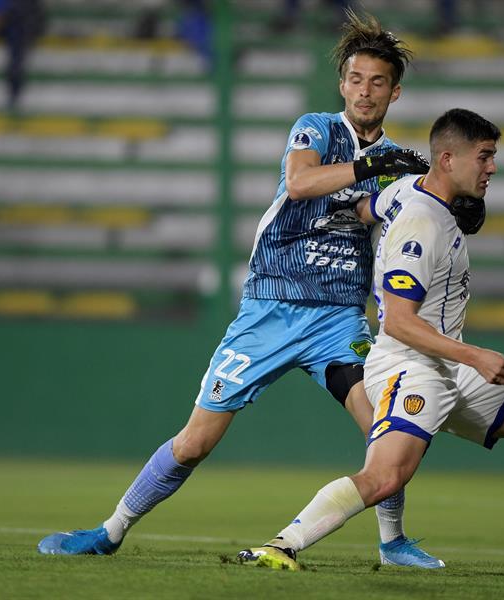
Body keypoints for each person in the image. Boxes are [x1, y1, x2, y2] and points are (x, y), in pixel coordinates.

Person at [36, 10, 446, 570]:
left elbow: (393, 215)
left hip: (338, 321)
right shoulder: (318, 129)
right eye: (355, 79)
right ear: (342, 83)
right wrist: (370, 165)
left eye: (377, 82)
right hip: (269, 312)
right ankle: (110, 531)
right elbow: (301, 183)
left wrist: (428, 193)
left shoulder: (393, 163)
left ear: (394, 92)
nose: (364, 91)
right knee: (195, 442)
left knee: (386, 430)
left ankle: (393, 542)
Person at [236, 108, 504, 575]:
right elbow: (396, 320)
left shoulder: (407, 190)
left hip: (446, 365)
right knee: (385, 476)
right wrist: (475, 355)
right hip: (410, 366)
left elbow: (363, 209)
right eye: (484, 157)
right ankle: (282, 544)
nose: (492, 167)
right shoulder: (421, 225)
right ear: (447, 158)